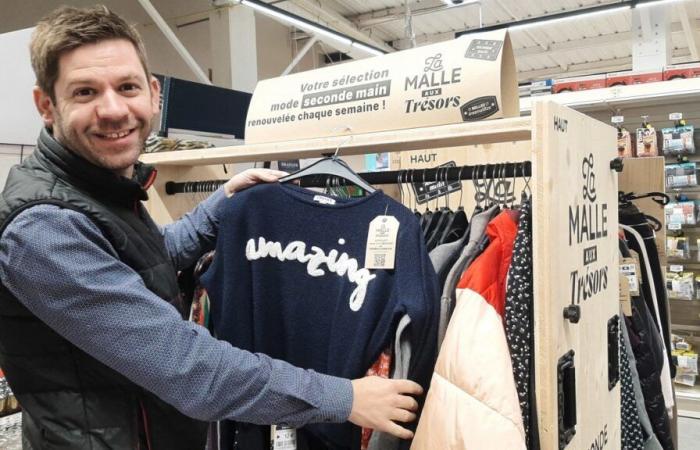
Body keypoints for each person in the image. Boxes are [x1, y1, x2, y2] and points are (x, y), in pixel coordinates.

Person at [0, 5, 422, 449]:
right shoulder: (42, 228)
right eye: (85, 92)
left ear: (153, 94)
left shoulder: (101, 187)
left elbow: (143, 260)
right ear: (46, 105)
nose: (113, 109)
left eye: (127, 87)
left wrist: (222, 205)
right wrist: (345, 395)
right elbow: (185, 367)